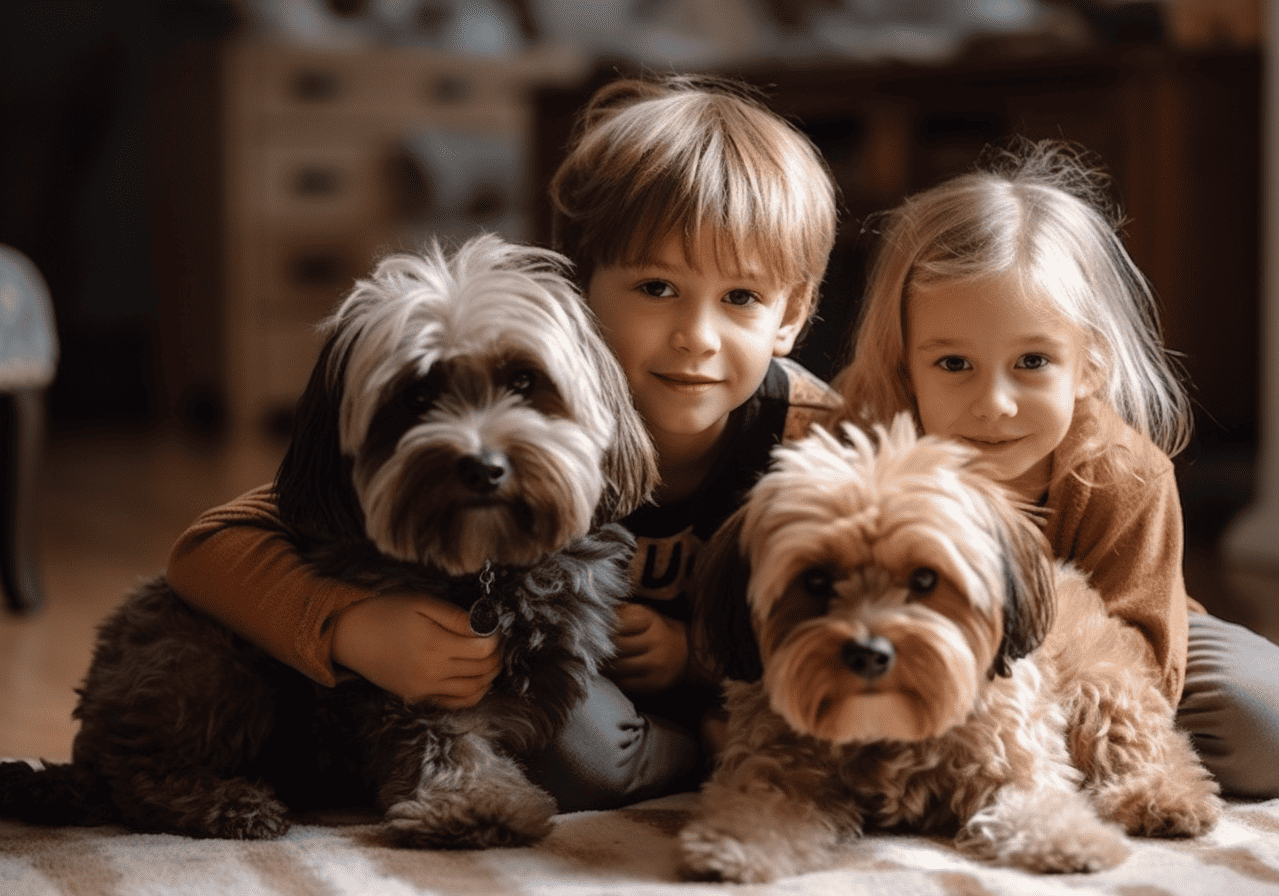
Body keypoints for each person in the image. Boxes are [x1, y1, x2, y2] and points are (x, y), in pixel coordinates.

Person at [164, 74, 840, 811]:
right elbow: (207, 549)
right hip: (567, 693)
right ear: (578, 290)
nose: (697, 338)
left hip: (736, 683)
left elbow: (865, 608)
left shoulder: (815, 437)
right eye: (656, 287)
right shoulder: (526, 397)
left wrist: (692, 658)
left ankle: (707, 750)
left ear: (792, 316)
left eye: (741, 298)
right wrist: (355, 630)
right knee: (572, 742)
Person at [829, 138, 1279, 798]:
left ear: (1089, 364)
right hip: (914, 652)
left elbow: (1143, 669)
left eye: (1032, 363)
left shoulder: (1125, 473)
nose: (995, 404)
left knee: (1272, 734)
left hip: (1120, 653)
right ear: (905, 365)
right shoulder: (862, 446)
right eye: (954, 365)